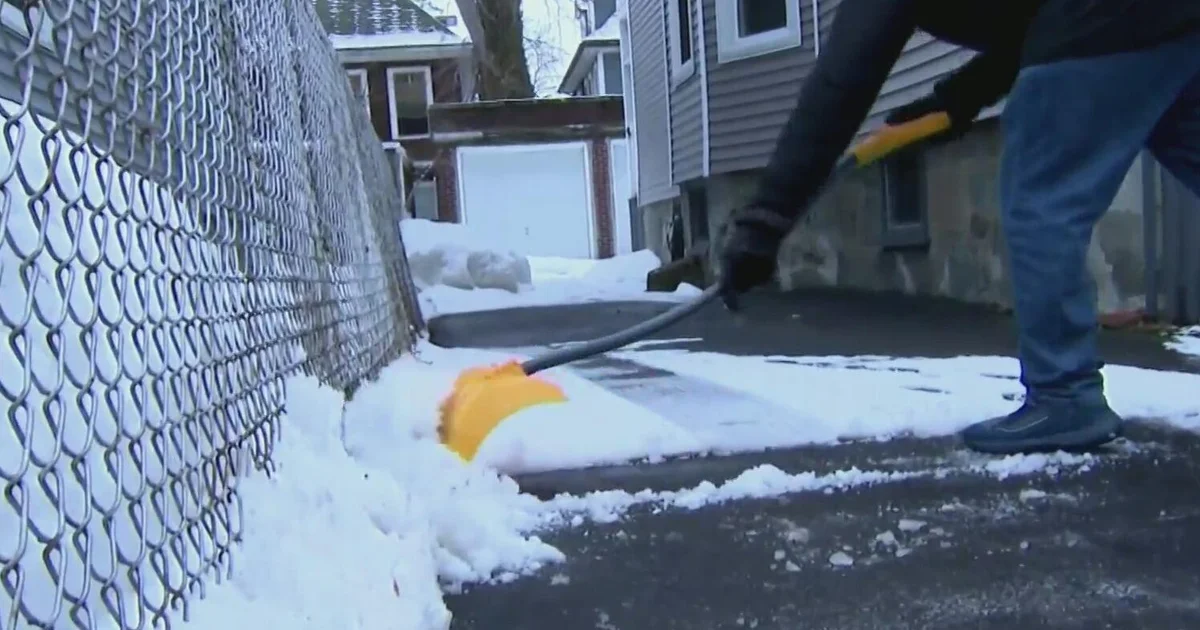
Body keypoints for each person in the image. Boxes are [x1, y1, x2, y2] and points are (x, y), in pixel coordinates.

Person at [717, 0, 1200, 455]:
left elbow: (840, 85)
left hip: (1109, 20)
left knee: (1040, 202)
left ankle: (1064, 395)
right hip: (1176, 22)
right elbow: (1036, 23)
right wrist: (952, 101)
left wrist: (766, 221)